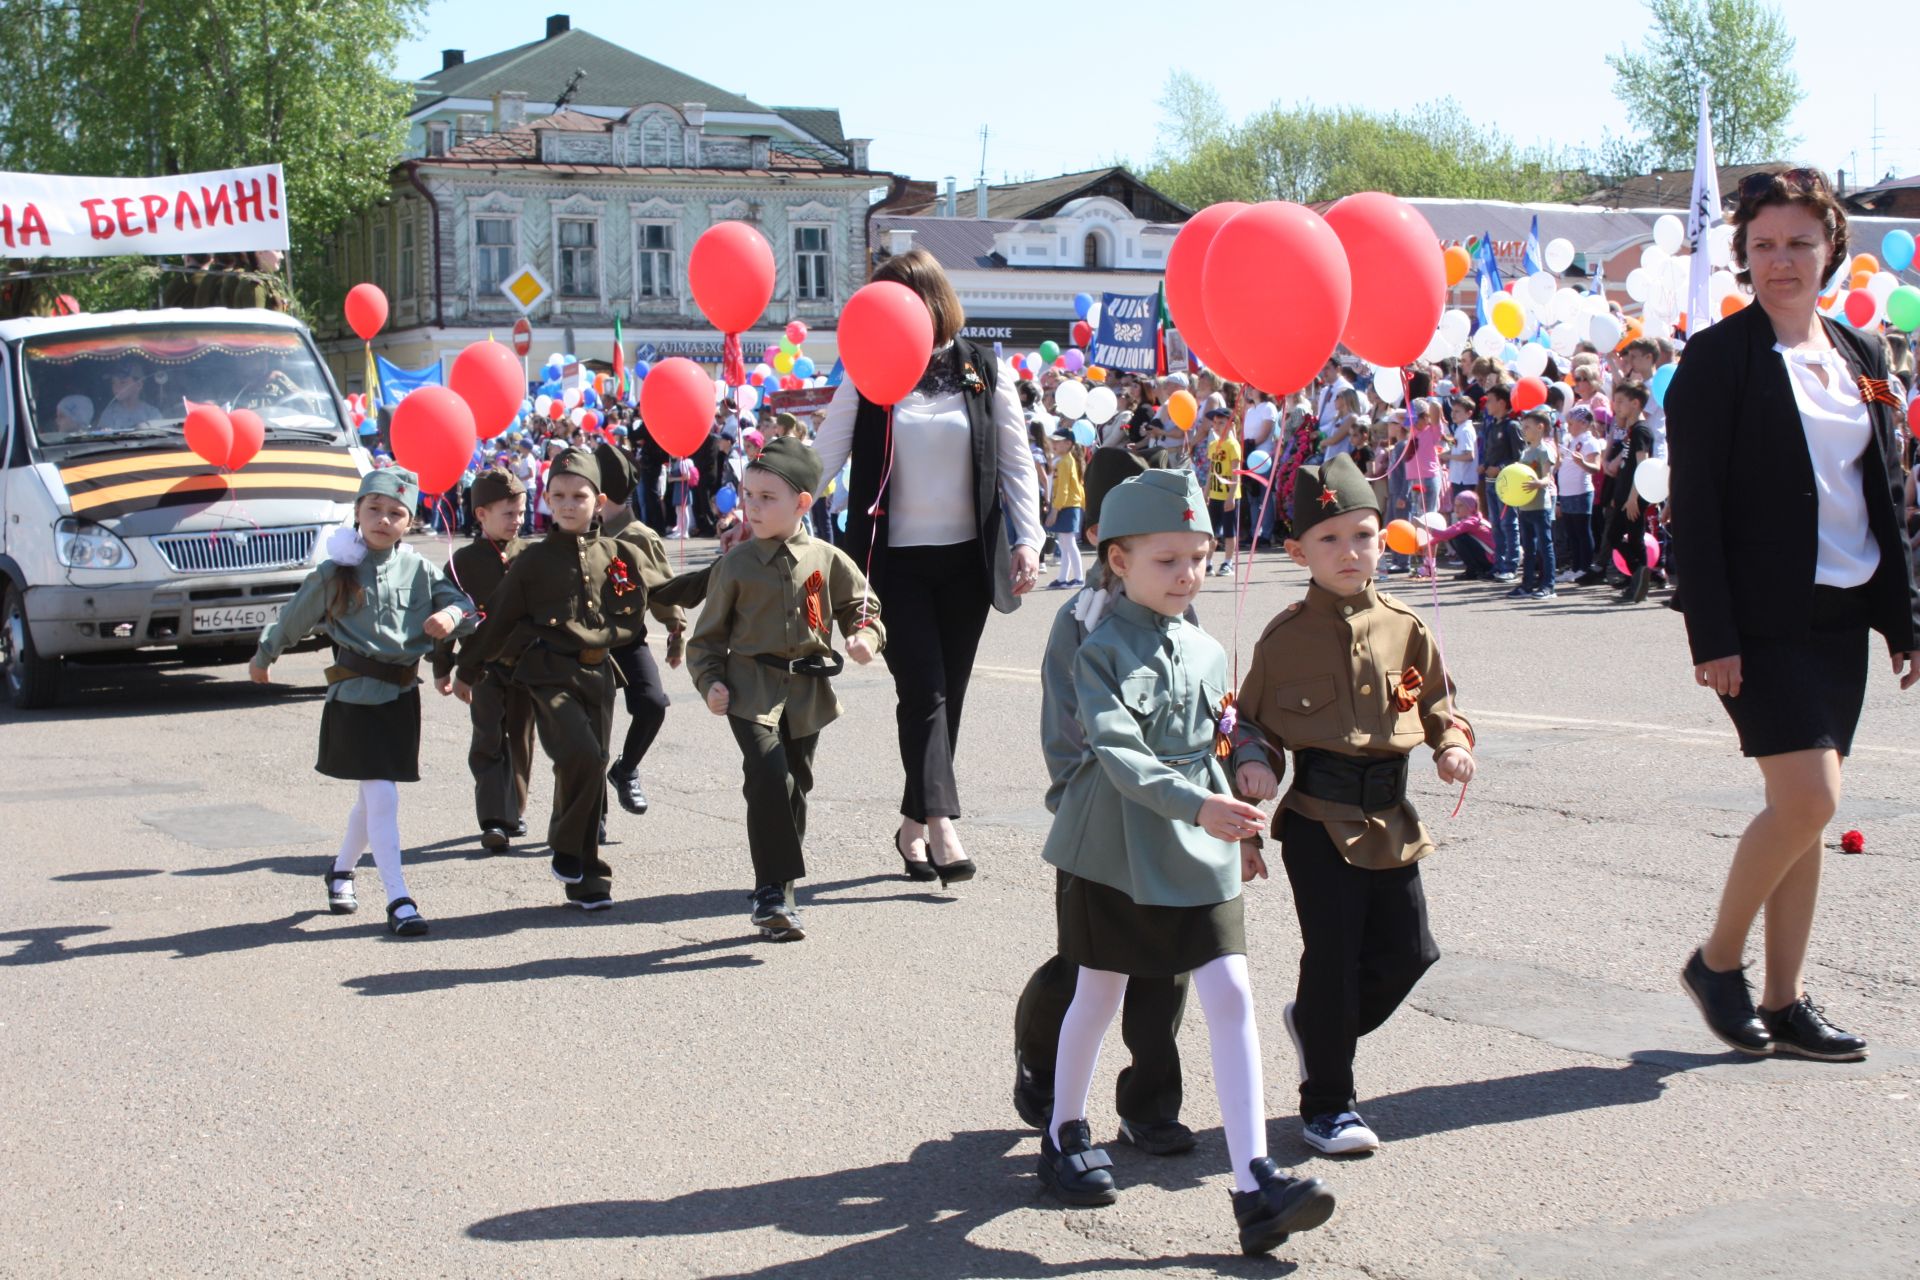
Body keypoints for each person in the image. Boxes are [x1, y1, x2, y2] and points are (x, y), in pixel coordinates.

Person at [1035, 468, 1335, 1257]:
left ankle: (1254, 1182)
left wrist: (1241, 797)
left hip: (1197, 842)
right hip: (1115, 842)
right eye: (1166, 559)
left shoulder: (1203, 647)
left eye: (1198, 557)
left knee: (1231, 992)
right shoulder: (1097, 648)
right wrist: (1200, 806)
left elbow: (1220, 734)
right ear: (1118, 562)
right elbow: (1118, 752)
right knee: (1098, 993)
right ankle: (1065, 1131)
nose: (1187, 574)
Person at [1667, 166, 1920, 1062]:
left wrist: (1906, 619)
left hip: (1841, 616)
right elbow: (1692, 510)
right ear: (1744, 255)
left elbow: (1883, 492)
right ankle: (1716, 963)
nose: (1783, 260)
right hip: (1760, 619)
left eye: (1800, 243)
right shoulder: (1718, 360)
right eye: (1765, 244)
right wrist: (1714, 635)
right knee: (1814, 795)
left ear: (1831, 252)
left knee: (1801, 811)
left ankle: (1784, 999)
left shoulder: (1863, 358)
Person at [1234, 452, 1476, 1155]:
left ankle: (1317, 1027)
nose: (1350, 552)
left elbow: (1434, 699)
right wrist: (1253, 770)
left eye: (1363, 535)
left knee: (1409, 953)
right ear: (1297, 550)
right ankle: (1327, 1106)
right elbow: (1251, 726)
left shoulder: (1405, 626)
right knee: (1332, 962)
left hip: (1391, 817)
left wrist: (1450, 743)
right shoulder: (1285, 639)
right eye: (1330, 539)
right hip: (1318, 817)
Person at [814, 247, 1044, 882]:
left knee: (949, 695)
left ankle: (912, 822)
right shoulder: (867, 371)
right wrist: (770, 505)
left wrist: (1030, 538)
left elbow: (1015, 460)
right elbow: (826, 452)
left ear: (931, 302)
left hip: (968, 561)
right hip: (892, 565)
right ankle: (943, 825)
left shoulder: (981, 368)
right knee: (923, 689)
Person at [250, 468, 475, 936]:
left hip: (400, 696)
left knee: (371, 798)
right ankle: (399, 899)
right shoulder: (337, 572)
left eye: (396, 512)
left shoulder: (418, 568)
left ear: (409, 522)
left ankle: (340, 871)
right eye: (373, 509)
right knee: (382, 795)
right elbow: (294, 617)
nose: (383, 519)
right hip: (354, 694)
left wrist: (450, 616)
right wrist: (264, 654)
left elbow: (467, 607)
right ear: (357, 513)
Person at [688, 437, 885, 940]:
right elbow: (706, 639)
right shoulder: (735, 564)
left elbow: (861, 604)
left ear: (802, 502)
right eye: (747, 495)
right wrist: (710, 682)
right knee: (769, 776)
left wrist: (865, 636)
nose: (751, 507)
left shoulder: (825, 557)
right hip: (749, 688)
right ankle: (773, 890)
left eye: (766, 497)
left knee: (796, 787)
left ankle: (779, 897)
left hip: (807, 690)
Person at [456, 448, 650, 911]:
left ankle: (588, 879)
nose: (568, 504)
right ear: (546, 499)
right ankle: (567, 847)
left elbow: (655, 592)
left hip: (600, 673)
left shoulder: (618, 552)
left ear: (598, 501)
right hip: (550, 674)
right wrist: (466, 668)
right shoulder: (532, 559)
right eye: (558, 495)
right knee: (581, 755)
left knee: (589, 766)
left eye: (578, 495)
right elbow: (498, 619)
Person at [431, 468, 537, 851]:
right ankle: (494, 818)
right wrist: (442, 665)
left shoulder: (531, 554)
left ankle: (515, 810)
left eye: (521, 513)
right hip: (483, 669)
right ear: (481, 515)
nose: (518, 521)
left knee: (521, 741)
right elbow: (448, 616)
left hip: (526, 667)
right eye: (508, 514)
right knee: (489, 740)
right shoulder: (463, 563)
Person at [591, 441, 686, 817]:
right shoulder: (579, 531)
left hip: (627, 639)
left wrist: (675, 631)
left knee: (652, 705)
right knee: (593, 732)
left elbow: (661, 588)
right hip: (586, 643)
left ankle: (626, 769)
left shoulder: (635, 535)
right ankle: (592, 816)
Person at [1600, 381, 1656, 603]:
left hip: (1634, 495)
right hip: (1624, 494)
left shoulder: (1642, 430)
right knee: (1627, 537)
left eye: (1621, 401)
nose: (1617, 406)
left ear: (1635, 403)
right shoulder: (1630, 431)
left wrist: (1633, 497)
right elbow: (1625, 465)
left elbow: (1642, 466)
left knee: (1629, 537)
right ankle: (1639, 578)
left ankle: (1640, 578)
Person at [1510, 409, 1558, 600]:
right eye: (1523, 427)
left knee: (1545, 547)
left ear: (1540, 427)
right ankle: (1527, 584)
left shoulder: (1543, 450)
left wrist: (1538, 483)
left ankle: (1549, 585)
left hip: (1540, 506)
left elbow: (1547, 477)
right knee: (1528, 548)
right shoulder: (1526, 451)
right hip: (1525, 506)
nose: (1524, 431)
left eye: (1527, 427)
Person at [1478, 384, 1522, 581]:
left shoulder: (1511, 426)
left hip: (1506, 484)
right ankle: (1498, 563)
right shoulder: (1491, 425)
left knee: (1508, 523)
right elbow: (1489, 452)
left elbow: (1519, 456)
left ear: (1502, 402)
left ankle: (1511, 565)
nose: (1487, 404)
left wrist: (1501, 467)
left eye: (1491, 400)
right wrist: (1485, 464)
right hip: (1490, 482)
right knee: (1495, 524)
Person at [1556, 406, 1604, 582]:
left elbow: (1596, 468)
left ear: (1583, 423)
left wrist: (1582, 462)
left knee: (1582, 531)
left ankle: (1584, 567)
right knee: (1572, 533)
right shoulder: (1571, 439)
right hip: (1567, 492)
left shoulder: (1590, 441)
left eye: (1571, 423)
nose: (1568, 427)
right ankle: (1575, 566)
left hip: (1581, 492)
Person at [1044, 427, 1087, 590]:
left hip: (1068, 505)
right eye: (1053, 440)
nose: (1053, 443)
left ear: (1068, 443)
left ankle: (1078, 578)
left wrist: (1055, 510)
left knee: (1068, 542)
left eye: (1057, 441)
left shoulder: (1065, 461)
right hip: (1067, 504)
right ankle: (1063, 578)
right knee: (1064, 542)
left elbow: (1064, 488)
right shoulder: (1063, 460)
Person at [1202, 407, 1241, 577]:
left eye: (1221, 423)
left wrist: (1231, 496)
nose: (1216, 426)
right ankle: (1208, 563)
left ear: (1231, 424)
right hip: (1215, 495)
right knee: (1212, 531)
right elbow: (1211, 471)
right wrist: (1206, 492)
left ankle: (1228, 563)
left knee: (1229, 531)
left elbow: (1235, 473)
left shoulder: (1233, 445)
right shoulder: (1213, 445)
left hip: (1229, 496)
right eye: (1215, 423)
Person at [1430, 490, 1495, 580]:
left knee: (1458, 537)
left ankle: (1476, 570)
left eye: (1460, 505)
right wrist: (1429, 544)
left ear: (1470, 507)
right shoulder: (1469, 520)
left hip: (1491, 561)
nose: (1456, 509)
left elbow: (1446, 534)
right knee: (1455, 536)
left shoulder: (1472, 522)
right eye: (1455, 505)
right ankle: (1474, 569)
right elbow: (1448, 531)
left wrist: (1428, 529)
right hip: (1488, 558)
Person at [96, 360, 162, 433]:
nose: (116, 387)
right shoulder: (109, 414)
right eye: (113, 382)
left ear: (139, 385)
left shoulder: (152, 413)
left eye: (122, 382)